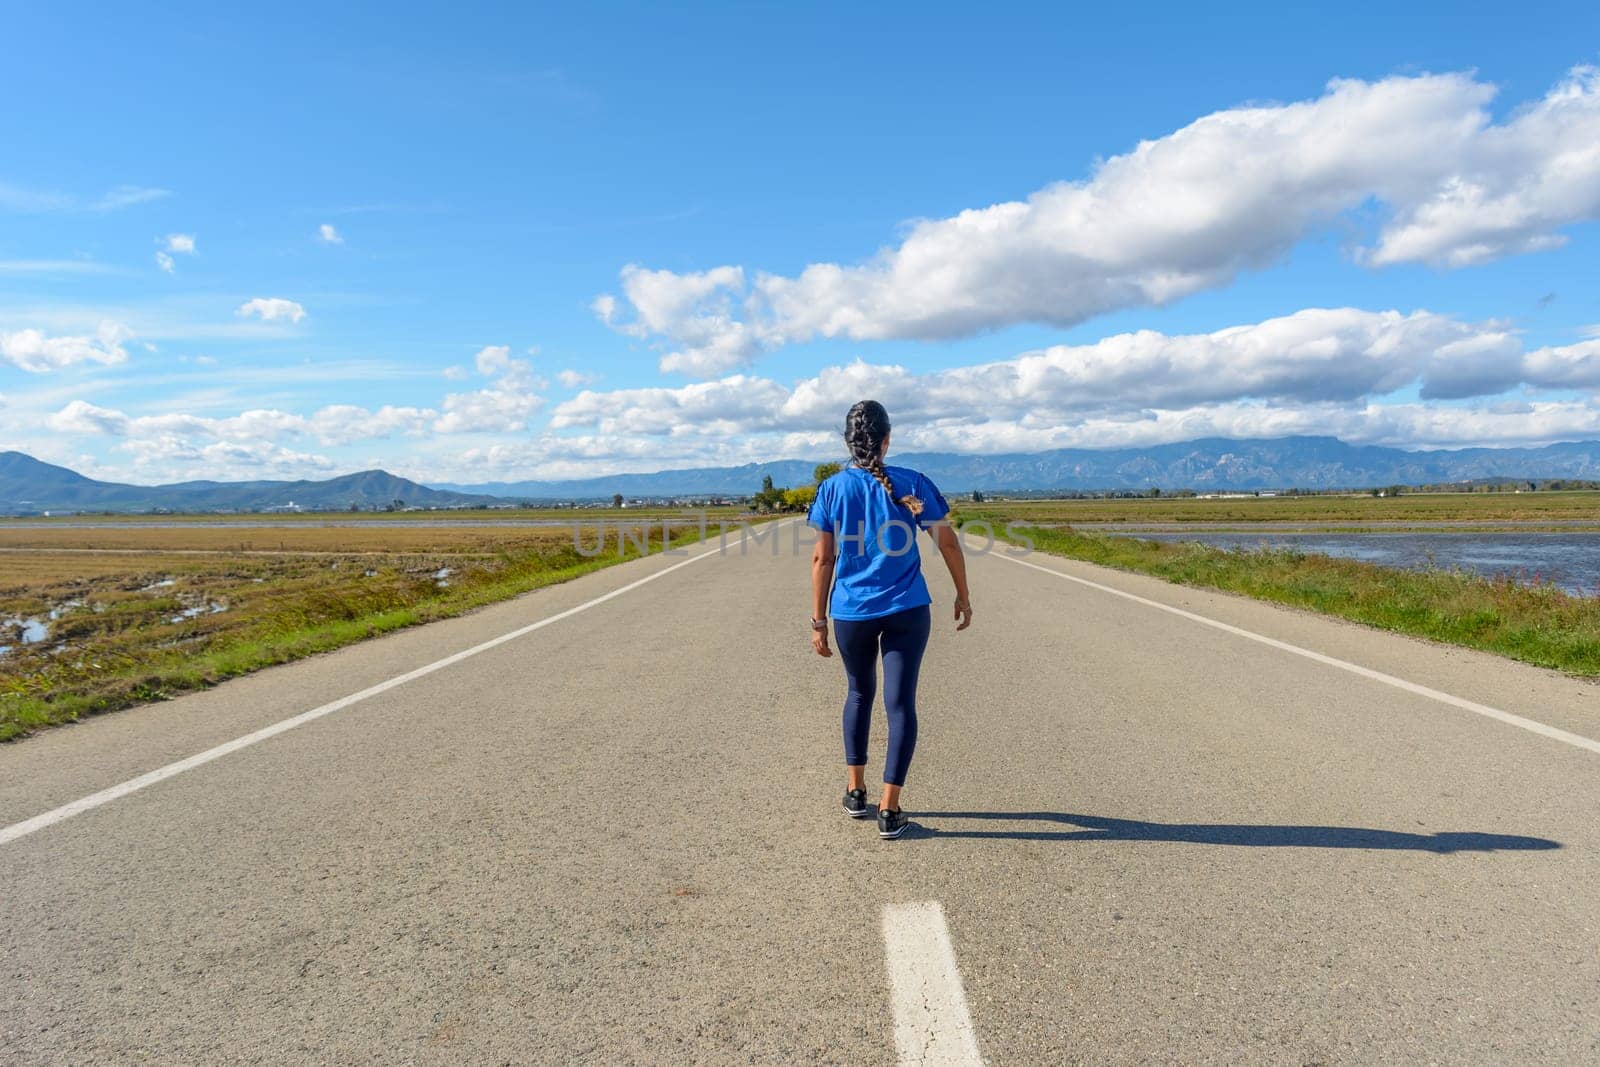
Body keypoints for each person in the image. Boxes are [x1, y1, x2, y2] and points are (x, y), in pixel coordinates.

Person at [806, 400, 973, 839]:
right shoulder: (912, 482)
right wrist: (963, 595)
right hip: (908, 611)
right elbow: (949, 544)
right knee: (900, 705)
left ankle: (855, 792)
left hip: (851, 612)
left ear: (847, 442)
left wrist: (818, 620)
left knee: (859, 693)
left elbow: (823, 557)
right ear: (887, 440)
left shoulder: (832, 488)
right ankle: (889, 809)